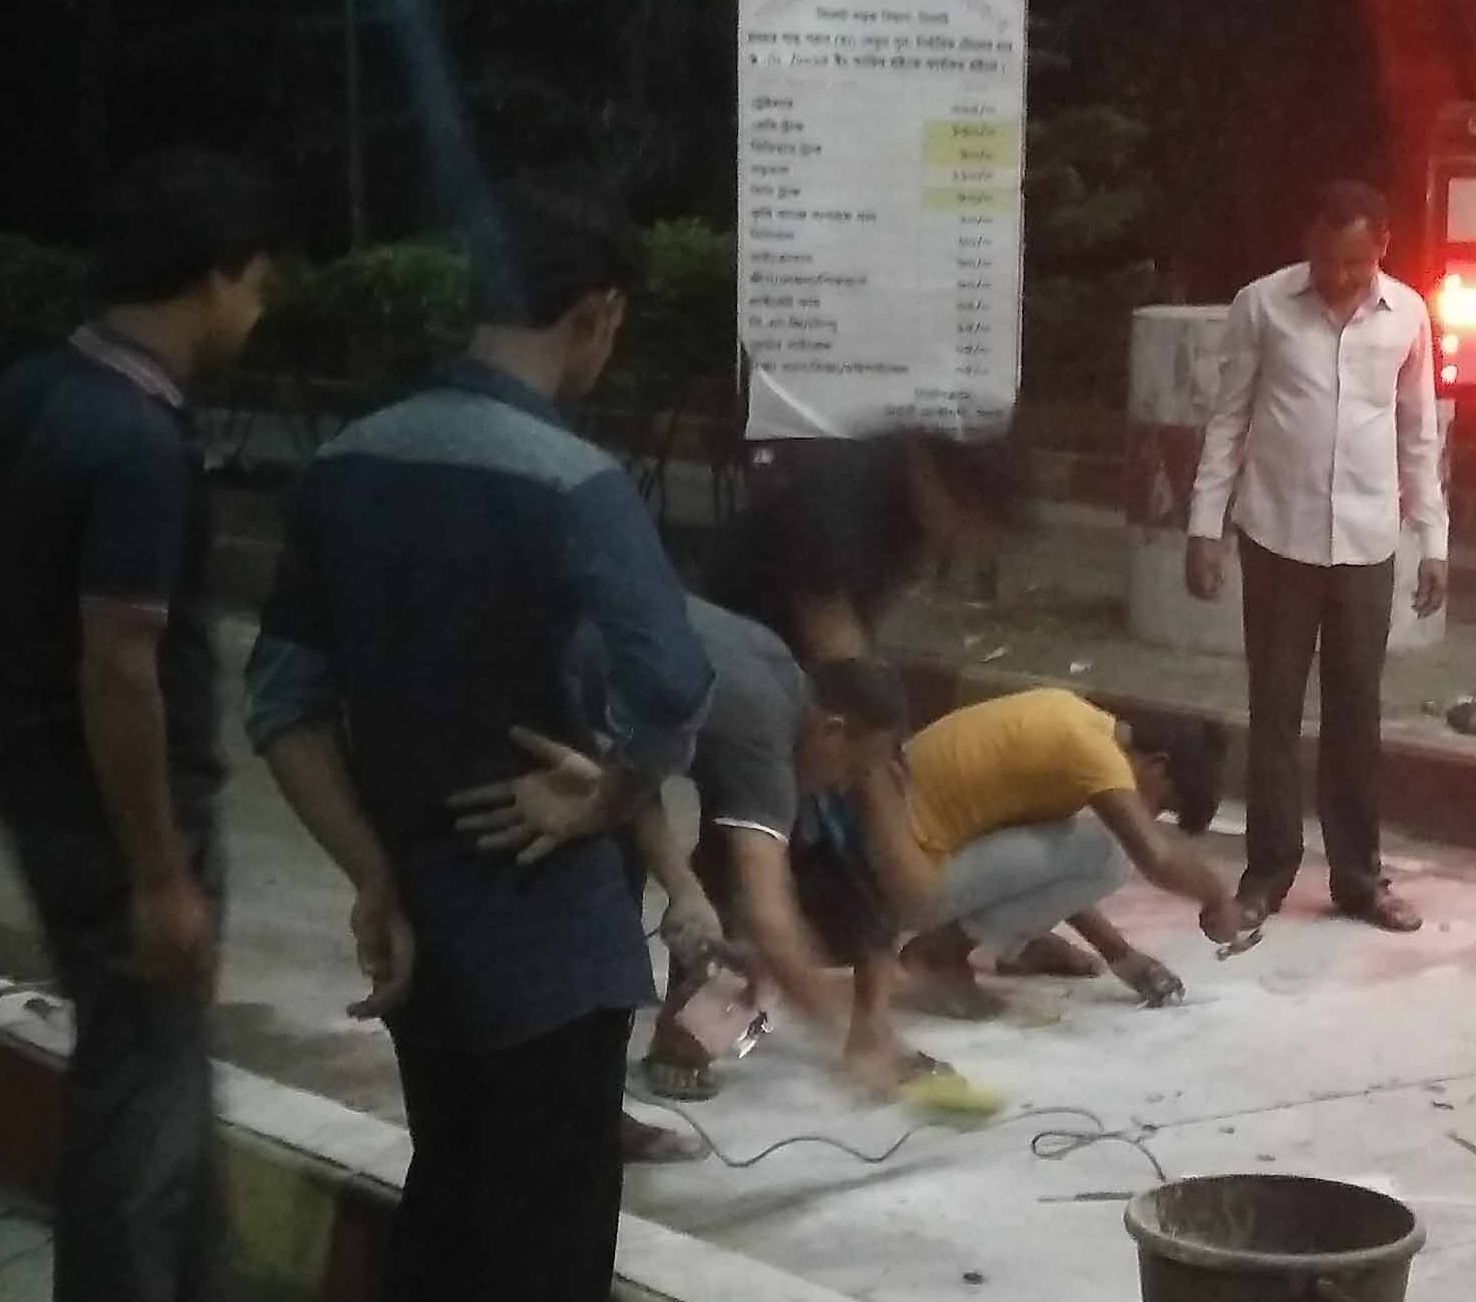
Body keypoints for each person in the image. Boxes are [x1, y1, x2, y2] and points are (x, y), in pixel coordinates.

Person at [245, 188, 712, 1302]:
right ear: (593, 320)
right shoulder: (571, 482)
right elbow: (677, 686)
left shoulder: (349, 462)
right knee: (551, 1234)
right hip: (548, 922)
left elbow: (283, 701)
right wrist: (608, 792)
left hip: (422, 920)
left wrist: (372, 872)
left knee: (445, 1192)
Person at [0, 147, 321, 1302]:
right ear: (215, 276)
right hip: (121, 813)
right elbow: (120, 661)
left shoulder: (42, 393)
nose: (260, 312)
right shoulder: (137, 440)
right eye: (259, 286)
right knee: (138, 1087)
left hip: (55, 784)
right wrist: (160, 871)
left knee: (166, 1058)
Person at [457, 608, 924, 1107]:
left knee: (603, 857)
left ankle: (580, 1100)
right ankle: (561, 1108)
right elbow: (770, 919)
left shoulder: (772, 664)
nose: (843, 786)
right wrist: (841, 1037)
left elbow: (633, 774)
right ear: (833, 730)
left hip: (549, 654)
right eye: (853, 769)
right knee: (587, 920)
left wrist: (685, 891)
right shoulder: (764, 740)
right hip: (510, 677)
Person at [1184, 177, 1447, 935]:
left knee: (1356, 710)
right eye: (1328, 263)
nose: (1339, 279)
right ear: (1308, 247)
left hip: (1368, 541)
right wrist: (1206, 525)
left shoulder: (1409, 316)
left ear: (1383, 250)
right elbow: (1228, 420)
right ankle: (1267, 871)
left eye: (1356, 266)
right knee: (1274, 707)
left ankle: (1359, 879)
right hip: (1277, 537)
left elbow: (1418, 434)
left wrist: (1435, 540)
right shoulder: (1260, 306)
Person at [873, 686, 1244, 1011]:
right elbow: (1156, 858)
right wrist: (1217, 897)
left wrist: (1121, 955)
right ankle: (940, 955)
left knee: (1088, 849)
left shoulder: (1070, 716)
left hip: (889, 867)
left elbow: (1042, 871)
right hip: (900, 882)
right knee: (1108, 853)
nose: (1152, 813)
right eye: (1164, 803)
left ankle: (1019, 945)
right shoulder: (1093, 755)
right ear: (1159, 765)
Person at [700, 429, 1032, 666]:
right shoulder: (847, 486)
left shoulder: (912, 519)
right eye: (970, 522)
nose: (966, 541)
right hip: (737, 648)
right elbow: (834, 636)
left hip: (790, 645)